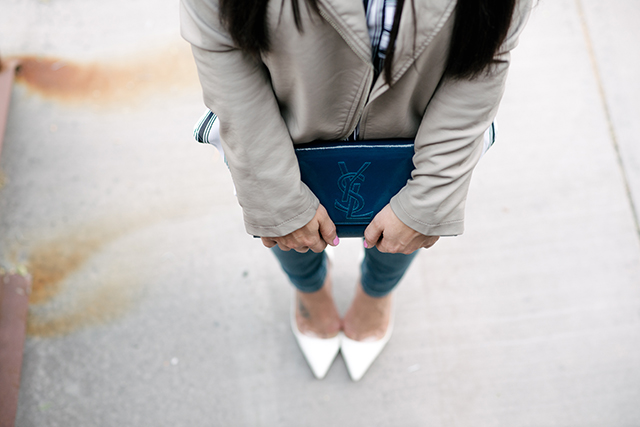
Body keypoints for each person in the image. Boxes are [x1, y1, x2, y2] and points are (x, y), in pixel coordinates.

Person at [180, 0, 532, 381]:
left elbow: (486, 57)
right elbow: (219, 43)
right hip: (283, 124)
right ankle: (311, 292)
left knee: (407, 224)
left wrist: (430, 196)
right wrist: (275, 197)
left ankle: (376, 294)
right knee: (284, 222)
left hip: (419, 129)